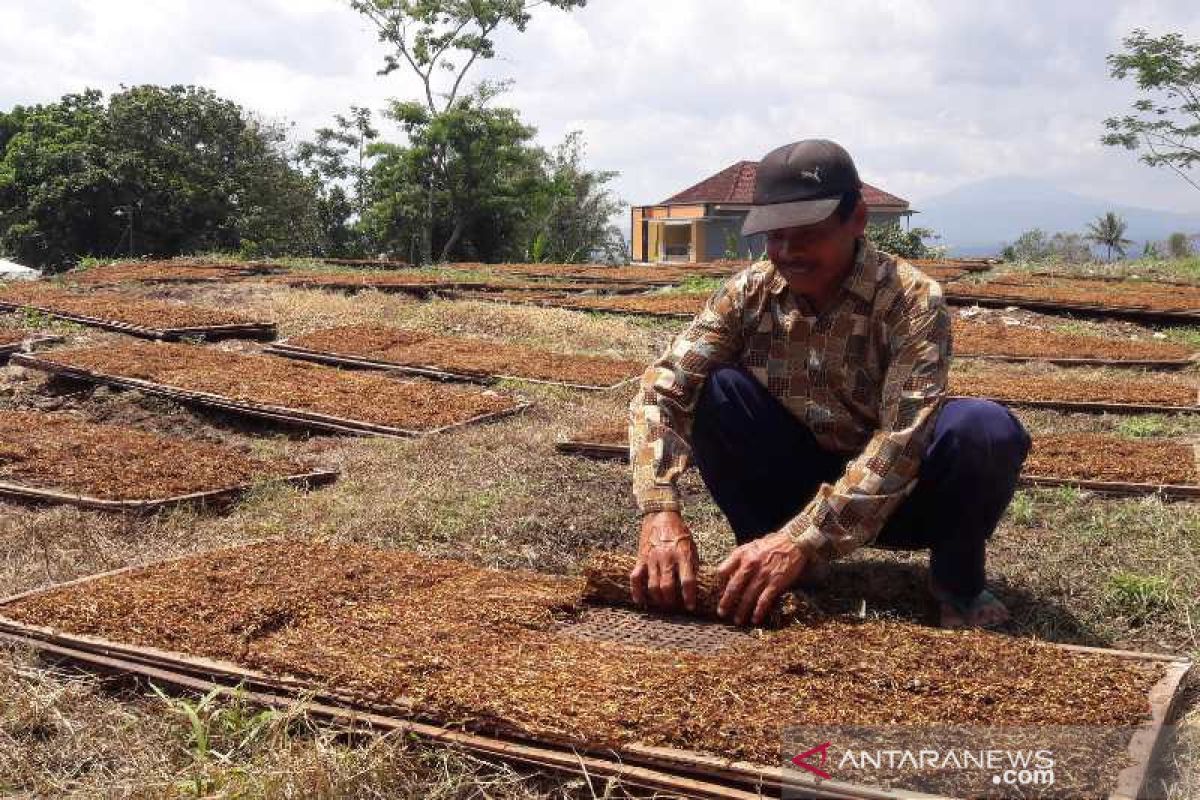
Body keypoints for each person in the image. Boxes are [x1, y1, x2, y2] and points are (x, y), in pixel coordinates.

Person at [627, 139, 1030, 629]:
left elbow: (902, 441)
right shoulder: (747, 295)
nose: (788, 252)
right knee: (719, 390)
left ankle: (957, 586)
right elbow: (660, 389)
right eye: (775, 236)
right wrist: (659, 510)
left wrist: (804, 537)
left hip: (902, 498)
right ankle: (767, 559)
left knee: (984, 429)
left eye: (808, 234)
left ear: (856, 220)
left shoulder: (910, 299)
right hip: (791, 483)